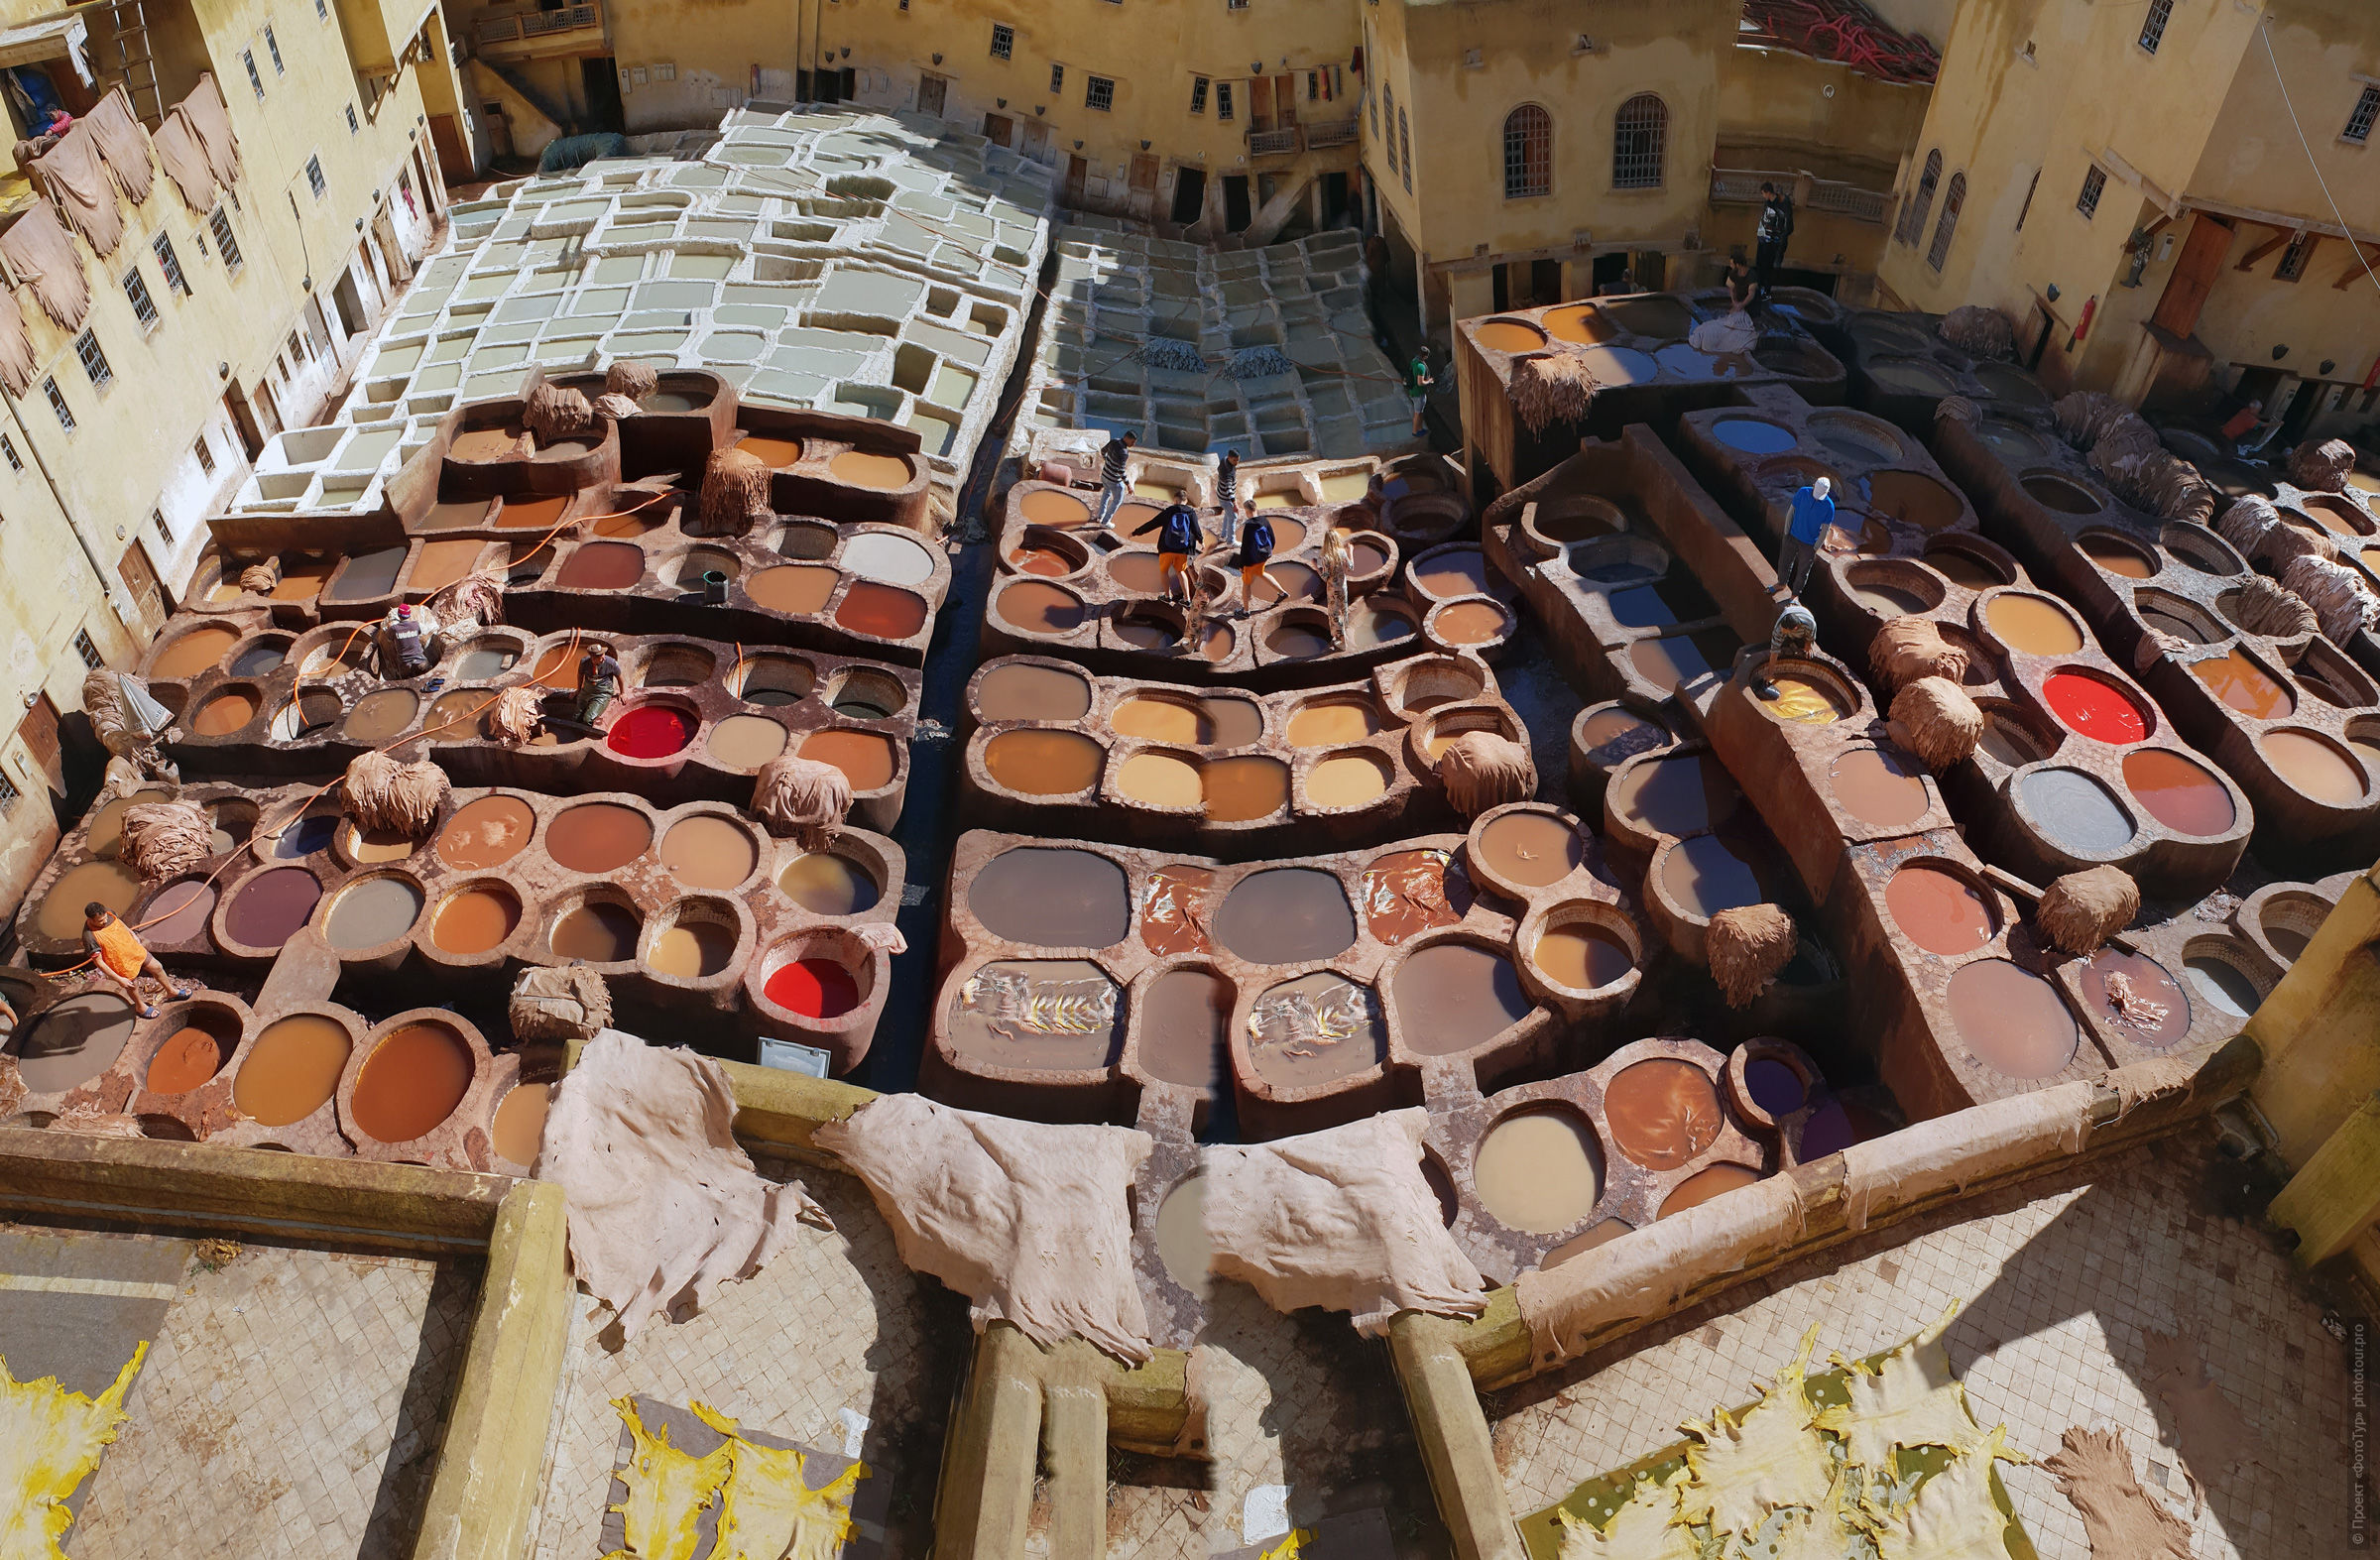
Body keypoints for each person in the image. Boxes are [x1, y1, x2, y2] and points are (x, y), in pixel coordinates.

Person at [83, 903, 193, 1020]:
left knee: (157, 967)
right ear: (90, 920)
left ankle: (171, 991)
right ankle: (140, 1007)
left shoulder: (109, 912)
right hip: (119, 962)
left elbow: (119, 922)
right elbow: (99, 963)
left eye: (105, 917)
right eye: (100, 921)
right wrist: (119, 979)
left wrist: (131, 933)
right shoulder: (90, 937)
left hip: (132, 949)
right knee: (132, 986)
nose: (105, 921)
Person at [1131, 500, 1204, 602]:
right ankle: (1189, 598)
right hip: (1184, 549)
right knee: (1182, 571)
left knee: (1164, 571)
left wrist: (1136, 532)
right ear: (1186, 500)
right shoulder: (1191, 512)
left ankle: (1167, 596)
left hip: (1167, 548)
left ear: (1175, 500)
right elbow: (1196, 529)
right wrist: (1201, 541)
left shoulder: (1169, 511)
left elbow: (1153, 523)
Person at [1778, 476, 1836, 596]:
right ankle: (1781, 584)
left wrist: (1816, 547)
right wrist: (1786, 532)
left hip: (1809, 544)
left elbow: (1825, 529)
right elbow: (1791, 512)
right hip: (1792, 536)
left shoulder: (1829, 506)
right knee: (1784, 562)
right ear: (1813, 486)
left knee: (1802, 572)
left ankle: (1795, 595)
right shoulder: (1803, 492)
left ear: (1827, 492)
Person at [1754, 600, 1819, 702]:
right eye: (1783, 629)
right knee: (1783, 641)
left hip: (1803, 624)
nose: (1782, 631)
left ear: (1795, 628)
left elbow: (1810, 637)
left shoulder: (1810, 624)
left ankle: (1795, 640)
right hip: (1792, 619)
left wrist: (1808, 646)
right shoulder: (1779, 628)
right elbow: (1774, 651)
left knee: (1804, 647)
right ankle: (1790, 640)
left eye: (1786, 630)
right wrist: (1771, 673)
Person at [1229, 509, 1284, 616]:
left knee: (1245, 585)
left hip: (1251, 561)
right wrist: (1268, 551)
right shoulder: (1264, 520)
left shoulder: (1249, 526)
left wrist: (1241, 565)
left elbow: (1245, 548)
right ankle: (1282, 593)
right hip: (1264, 556)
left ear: (1246, 511)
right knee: (1261, 573)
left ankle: (1245, 611)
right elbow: (1272, 538)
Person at [1754, 182, 1795, 300]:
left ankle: (1766, 292)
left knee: (1769, 267)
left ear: (1767, 192)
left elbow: (1786, 225)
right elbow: (1764, 219)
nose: (1763, 196)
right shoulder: (1768, 203)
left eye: (1763, 193)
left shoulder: (1782, 204)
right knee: (1760, 263)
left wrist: (1777, 239)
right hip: (1764, 239)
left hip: (1774, 242)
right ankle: (1758, 289)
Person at [1091, 429, 1136, 531]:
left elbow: (1103, 451)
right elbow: (1121, 471)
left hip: (1105, 475)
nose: (1133, 444)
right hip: (1114, 480)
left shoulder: (1114, 441)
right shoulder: (1124, 453)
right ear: (1127, 438)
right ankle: (1105, 521)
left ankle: (1100, 516)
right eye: (1132, 441)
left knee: (1106, 494)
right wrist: (1128, 485)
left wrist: (1107, 461)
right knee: (1117, 500)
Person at [574, 640, 621, 728]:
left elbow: (619, 677)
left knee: (588, 720)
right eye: (600, 656)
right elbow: (580, 675)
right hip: (587, 691)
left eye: (603, 654)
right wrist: (578, 689)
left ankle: (585, 735)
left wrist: (623, 693)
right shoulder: (584, 662)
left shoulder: (611, 663)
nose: (603, 657)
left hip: (602, 693)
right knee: (575, 718)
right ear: (593, 658)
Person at [382, 602, 433, 678]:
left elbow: (389, 638)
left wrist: (388, 628)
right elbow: (422, 631)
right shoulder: (415, 625)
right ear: (409, 615)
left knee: (405, 682)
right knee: (428, 677)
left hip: (404, 664)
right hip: (420, 661)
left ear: (399, 615)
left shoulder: (394, 628)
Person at [1213, 449, 1247, 549]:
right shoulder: (1228, 474)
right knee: (1233, 517)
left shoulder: (1223, 460)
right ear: (1229, 458)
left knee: (1228, 515)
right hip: (1225, 497)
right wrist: (1235, 505)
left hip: (1220, 494)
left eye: (1238, 460)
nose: (1236, 463)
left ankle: (1223, 535)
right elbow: (1229, 490)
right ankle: (1230, 542)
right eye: (1235, 460)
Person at [1404, 351, 1434, 438]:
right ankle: (1415, 431)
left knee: (1420, 411)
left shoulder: (1414, 361)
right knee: (1417, 413)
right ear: (1425, 356)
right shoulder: (1421, 367)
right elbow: (1420, 383)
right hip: (1418, 393)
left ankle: (1420, 429)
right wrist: (1429, 381)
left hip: (1412, 391)